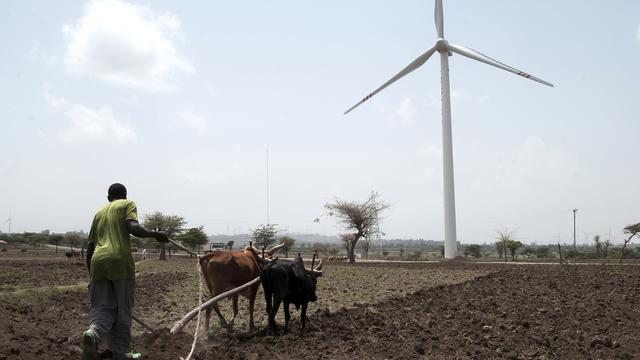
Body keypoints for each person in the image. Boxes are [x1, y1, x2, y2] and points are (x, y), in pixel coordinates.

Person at [82, 183, 168, 360]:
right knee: (123, 312)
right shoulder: (127, 204)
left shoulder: (98, 213)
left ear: (108, 198)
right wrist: (156, 234)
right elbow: (134, 228)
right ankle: (119, 354)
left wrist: (91, 277)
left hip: (98, 263)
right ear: (125, 195)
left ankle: (93, 334)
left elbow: (89, 249)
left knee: (102, 308)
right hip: (120, 262)